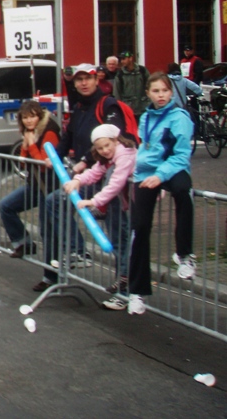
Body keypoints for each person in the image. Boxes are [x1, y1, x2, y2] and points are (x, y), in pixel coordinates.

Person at [34, 63, 128, 292]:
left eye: (88, 78)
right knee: (55, 202)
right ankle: (73, 255)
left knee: (119, 233)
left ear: (97, 80)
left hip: (109, 177)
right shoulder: (78, 107)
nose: (83, 83)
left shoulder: (108, 104)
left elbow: (113, 139)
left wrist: (85, 161)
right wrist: (54, 156)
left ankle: (126, 286)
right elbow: (68, 137)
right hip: (89, 177)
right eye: (79, 80)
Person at [127, 72, 195, 315]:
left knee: (182, 190)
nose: (161, 95)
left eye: (164, 91)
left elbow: (180, 153)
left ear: (171, 92)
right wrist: (144, 174)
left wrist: (161, 176)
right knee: (140, 227)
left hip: (173, 167)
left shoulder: (179, 117)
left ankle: (184, 255)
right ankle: (137, 292)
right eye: (155, 91)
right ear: (148, 93)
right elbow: (146, 149)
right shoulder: (146, 117)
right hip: (148, 172)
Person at [63, 124, 136, 311]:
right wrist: (78, 180)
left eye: (107, 146)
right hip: (119, 206)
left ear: (116, 140)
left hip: (132, 205)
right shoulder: (108, 157)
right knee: (120, 243)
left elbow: (116, 183)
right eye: (100, 148)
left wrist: (94, 201)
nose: (104, 151)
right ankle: (124, 286)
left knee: (125, 244)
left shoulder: (125, 155)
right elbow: (95, 172)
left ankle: (126, 289)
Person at [0, 100, 60, 258]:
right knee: (5, 206)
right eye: (25, 118)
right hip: (35, 183)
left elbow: (44, 164)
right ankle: (23, 243)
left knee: (47, 230)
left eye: (32, 117)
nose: (28, 121)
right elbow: (23, 163)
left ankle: (51, 273)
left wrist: (31, 144)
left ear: (39, 116)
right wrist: (26, 145)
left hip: (49, 186)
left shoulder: (49, 132)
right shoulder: (29, 132)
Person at [112, 50, 150, 117]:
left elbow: (150, 86)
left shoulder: (142, 71)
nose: (122, 61)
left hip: (143, 107)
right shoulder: (120, 74)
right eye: (121, 59)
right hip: (128, 109)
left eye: (124, 59)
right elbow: (117, 93)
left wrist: (149, 101)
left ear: (130, 58)